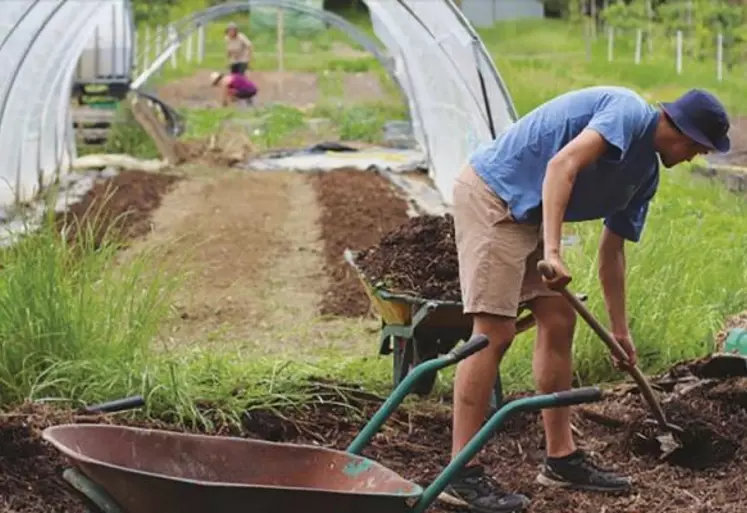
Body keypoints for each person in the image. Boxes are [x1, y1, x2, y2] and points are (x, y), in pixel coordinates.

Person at [442, 86, 730, 513]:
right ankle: (459, 473)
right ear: (680, 128)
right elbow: (562, 166)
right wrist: (553, 253)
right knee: (493, 333)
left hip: (529, 214)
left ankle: (560, 458)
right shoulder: (628, 112)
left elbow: (612, 252)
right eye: (698, 147)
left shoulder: (644, 176)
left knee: (559, 318)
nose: (695, 158)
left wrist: (620, 331)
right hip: (495, 197)